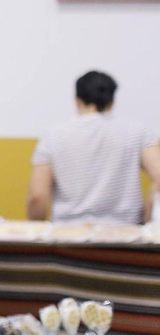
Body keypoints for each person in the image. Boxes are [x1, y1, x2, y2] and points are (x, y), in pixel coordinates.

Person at [28, 71, 160, 224]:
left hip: (67, 237)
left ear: (76, 100)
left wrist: (36, 230)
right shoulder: (138, 132)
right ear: (111, 102)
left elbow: (37, 196)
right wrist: (148, 219)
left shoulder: (52, 136)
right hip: (125, 236)